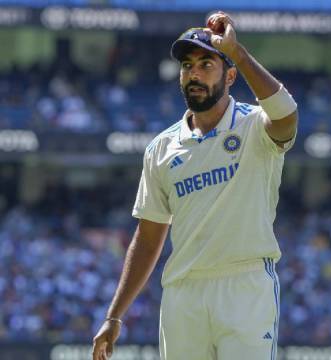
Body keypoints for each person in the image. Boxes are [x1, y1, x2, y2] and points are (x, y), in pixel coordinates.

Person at [92, 11, 298, 360]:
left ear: (230, 75)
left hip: (244, 286)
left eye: (207, 64)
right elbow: (148, 238)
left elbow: (286, 113)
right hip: (182, 292)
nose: (195, 74)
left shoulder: (254, 126)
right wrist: (115, 314)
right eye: (188, 66)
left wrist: (238, 51)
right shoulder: (161, 148)